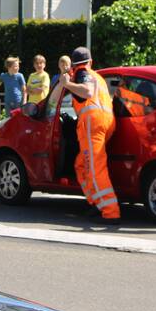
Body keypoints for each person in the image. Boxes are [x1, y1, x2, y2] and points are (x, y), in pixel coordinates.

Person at [60, 46, 120, 225]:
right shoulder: (98, 76)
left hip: (92, 123)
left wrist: (67, 84)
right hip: (106, 121)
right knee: (81, 164)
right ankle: (96, 202)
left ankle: (110, 212)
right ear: (91, 61)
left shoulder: (82, 72)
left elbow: (86, 92)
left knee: (94, 168)